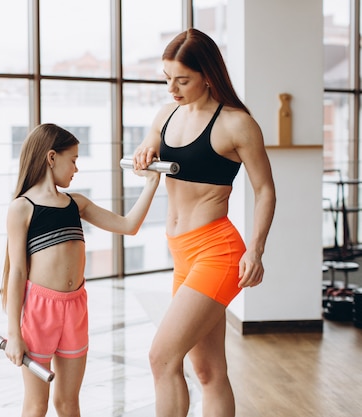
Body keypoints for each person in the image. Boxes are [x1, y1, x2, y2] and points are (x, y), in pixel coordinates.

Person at [132, 28, 276, 417]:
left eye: (182, 80)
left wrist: (257, 250)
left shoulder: (236, 124)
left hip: (219, 251)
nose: (172, 89)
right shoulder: (166, 115)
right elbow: (149, 144)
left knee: (161, 358)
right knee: (209, 371)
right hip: (182, 253)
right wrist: (146, 149)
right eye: (167, 78)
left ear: (207, 75)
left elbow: (265, 191)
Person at [2, 123, 161, 417]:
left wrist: (151, 184)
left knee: (68, 402)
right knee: (37, 405)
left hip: (75, 308)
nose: (76, 168)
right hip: (40, 311)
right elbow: (17, 273)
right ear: (51, 157)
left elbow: (129, 226)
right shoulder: (22, 208)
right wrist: (14, 333)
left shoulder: (77, 203)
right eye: (73, 159)